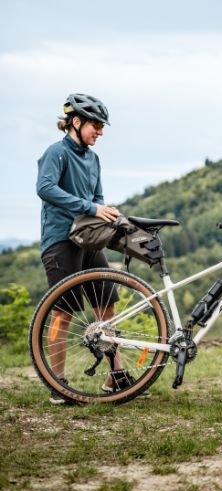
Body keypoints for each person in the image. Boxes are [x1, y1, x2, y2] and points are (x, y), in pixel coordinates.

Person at [36, 93, 130, 404]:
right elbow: (45, 188)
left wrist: (105, 209)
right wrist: (88, 206)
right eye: (96, 125)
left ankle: (115, 375)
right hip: (61, 239)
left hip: (89, 239)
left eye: (102, 126)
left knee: (107, 304)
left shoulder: (93, 158)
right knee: (63, 312)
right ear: (76, 122)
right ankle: (57, 382)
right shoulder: (56, 153)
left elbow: (97, 196)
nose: (100, 132)